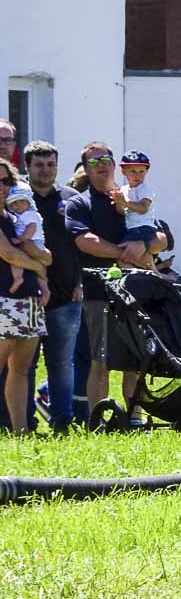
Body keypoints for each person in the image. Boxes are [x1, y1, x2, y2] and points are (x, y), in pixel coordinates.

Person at [65, 141, 166, 421]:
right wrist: (125, 253)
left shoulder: (132, 197)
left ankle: (136, 418)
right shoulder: (79, 202)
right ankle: (99, 420)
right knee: (101, 361)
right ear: (86, 168)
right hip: (100, 293)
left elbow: (162, 239)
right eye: (94, 162)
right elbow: (85, 242)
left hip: (137, 291)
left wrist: (143, 245)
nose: (102, 165)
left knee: (136, 360)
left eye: (106, 159)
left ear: (114, 164)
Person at [24, 141, 83, 432]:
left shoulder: (71, 199)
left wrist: (80, 283)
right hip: (27, 296)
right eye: (39, 164)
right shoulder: (17, 198)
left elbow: (82, 245)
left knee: (62, 364)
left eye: (50, 164)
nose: (45, 170)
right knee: (26, 366)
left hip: (67, 296)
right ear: (27, 167)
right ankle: (24, 420)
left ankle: (63, 420)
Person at [0, 161, 49, 434]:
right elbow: (8, 254)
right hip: (3, 301)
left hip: (29, 301)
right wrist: (39, 265)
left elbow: (47, 254)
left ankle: (21, 431)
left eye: (5, 181)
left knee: (20, 369)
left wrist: (42, 263)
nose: (1, 187)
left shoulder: (17, 218)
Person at [116, 151, 157, 270]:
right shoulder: (123, 190)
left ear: (146, 172)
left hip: (143, 228)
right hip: (131, 229)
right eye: (132, 171)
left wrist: (124, 202)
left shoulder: (144, 189)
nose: (137, 175)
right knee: (140, 256)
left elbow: (143, 208)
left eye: (141, 171)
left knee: (123, 256)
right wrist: (118, 202)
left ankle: (146, 275)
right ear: (124, 171)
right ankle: (152, 274)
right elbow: (121, 212)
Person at [6, 182, 44, 295]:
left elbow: (31, 227)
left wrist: (22, 239)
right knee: (18, 261)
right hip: (29, 241)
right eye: (14, 203)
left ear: (28, 202)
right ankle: (21, 278)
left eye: (21, 201)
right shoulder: (20, 216)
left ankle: (19, 278)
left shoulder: (29, 214)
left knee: (17, 258)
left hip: (32, 242)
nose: (17, 205)